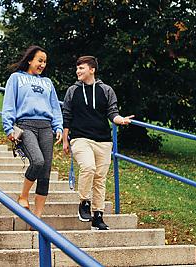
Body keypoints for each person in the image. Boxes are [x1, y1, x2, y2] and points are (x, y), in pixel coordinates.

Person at [62, 56, 134, 230]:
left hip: (103, 141)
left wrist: (120, 120)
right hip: (80, 138)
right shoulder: (73, 90)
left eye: (82, 68)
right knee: (88, 168)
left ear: (92, 70)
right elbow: (67, 116)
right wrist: (65, 140)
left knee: (100, 179)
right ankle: (84, 203)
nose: (78, 71)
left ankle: (98, 216)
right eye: (77, 68)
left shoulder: (106, 90)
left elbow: (112, 112)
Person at [2, 45, 63, 224]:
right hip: (26, 125)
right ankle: (23, 196)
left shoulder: (48, 83)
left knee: (45, 172)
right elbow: (8, 104)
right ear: (30, 60)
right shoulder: (16, 78)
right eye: (39, 60)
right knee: (37, 161)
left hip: (46, 127)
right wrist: (8, 128)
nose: (42, 64)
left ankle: (37, 218)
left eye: (45, 62)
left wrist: (58, 127)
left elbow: (55, 107)